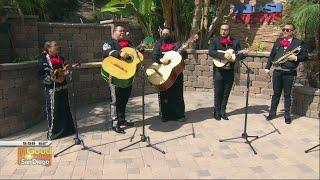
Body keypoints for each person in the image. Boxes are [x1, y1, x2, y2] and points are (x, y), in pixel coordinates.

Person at [264, 23, 308, 124]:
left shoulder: (299, 42)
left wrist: (296, 58)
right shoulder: (279, 41)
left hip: (289, 73)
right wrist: (267, 68)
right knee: (276, 94)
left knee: (288, 95)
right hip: (277, 72)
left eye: (287, 30)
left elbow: (306, 56)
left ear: (293, 31)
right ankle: (272, 113)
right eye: (283, 29)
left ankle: (287, 115)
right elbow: (272, 55)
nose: (284, 31)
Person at [208, 24, 249, 120]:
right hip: (218, 70)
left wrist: (244, 54)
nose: (223, 31)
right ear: (220, 30)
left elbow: (238, 56)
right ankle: (216, 111)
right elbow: (211, 52)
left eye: (226, 30)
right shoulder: (215, 40)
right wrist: (224, 56)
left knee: (226, 92)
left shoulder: (235, 41)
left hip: (230, 70)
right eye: (222, 29)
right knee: (218, 92)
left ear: (229, 30)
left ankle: (223, 111)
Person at [37, 41, 75, 140]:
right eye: (55, 46)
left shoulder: (61, 58)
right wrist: (51, 78)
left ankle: (67, 130)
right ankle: (54, 132)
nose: (57, 48)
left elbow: (66, 69)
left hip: (63, 87)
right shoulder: (42, 60)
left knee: (65, 107)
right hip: (52, 88)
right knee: (54, 109)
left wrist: (67, 72)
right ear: (48, 49)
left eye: (57, 46)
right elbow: (40, 74)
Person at [102, 25, 134, 134]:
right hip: (114, 76)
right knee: (115, 100)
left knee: (124, 98)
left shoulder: (129, 44)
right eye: (120, 31)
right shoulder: (109, 42)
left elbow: (133, 57)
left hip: (126, 76)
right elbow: (105, 52)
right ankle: (115, 123)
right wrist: (119, 53)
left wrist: (140, 50)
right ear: (114, 32)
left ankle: (122, 119)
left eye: (124, 31)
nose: (122, 33)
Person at [152, 27, 186, 122]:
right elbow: (154, 56)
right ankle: (166, 115)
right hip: (164, 74)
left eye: (167, 34)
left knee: (178, 94)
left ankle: (179, 115)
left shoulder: (177, 44)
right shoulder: (158, 45)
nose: (165, 35)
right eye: (164, 34)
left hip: (176, 73)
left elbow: (185, 56)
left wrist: (182, 51)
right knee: (164, 95)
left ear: (171, 34)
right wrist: (161, 60)